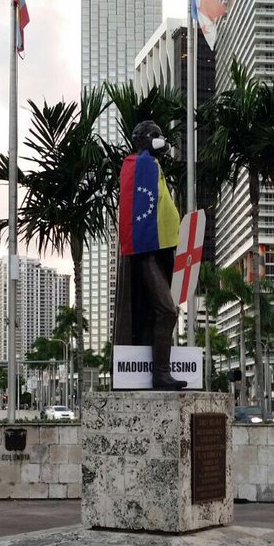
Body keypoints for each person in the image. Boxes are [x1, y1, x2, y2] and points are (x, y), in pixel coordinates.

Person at [113, 120, 187, 391]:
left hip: (157, 250)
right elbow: (140, 207)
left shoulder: (151, 166)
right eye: (156, 136)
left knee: (163, 311)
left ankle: (160, 373)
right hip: (146, 251)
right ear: (145, 139)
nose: (162, 140)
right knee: (167, 310)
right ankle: (160, 374)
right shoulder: (140, 164)